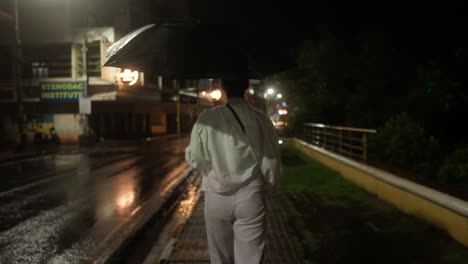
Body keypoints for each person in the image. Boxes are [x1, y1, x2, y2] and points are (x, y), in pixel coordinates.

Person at [185, 74, 282, 264]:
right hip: (251, 194)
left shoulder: (207, 117)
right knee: (251, 258)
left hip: (216, 195)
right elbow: (271, 161)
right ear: (246, 87)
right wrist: (269, 188)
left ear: (222, 87)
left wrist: (209, 168)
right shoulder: (261, 119)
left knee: (220, 257)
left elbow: (195, 159)